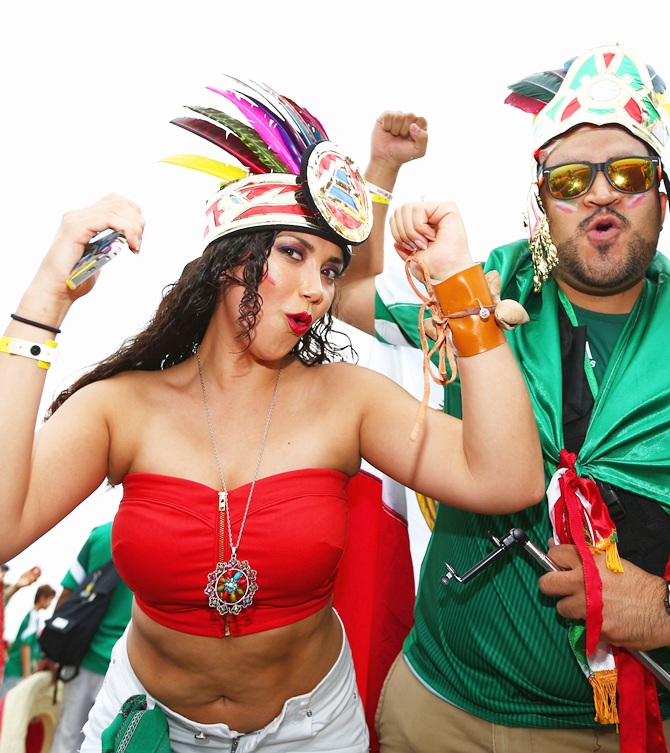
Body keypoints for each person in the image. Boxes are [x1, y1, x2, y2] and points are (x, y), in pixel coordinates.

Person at [0, 76, 543, 752]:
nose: (318, 289)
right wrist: (44, 303)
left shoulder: (347, 398)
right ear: (231, 259)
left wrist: (461, 288)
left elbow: (510, 480)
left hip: (313, 730)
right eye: (294, 253)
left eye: (331, 267)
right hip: (147, 725)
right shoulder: (123, 407)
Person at [338, 44, 670, 752]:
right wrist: (383, 175)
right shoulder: (480, 289)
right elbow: (345, 291)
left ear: (662, 194)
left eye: (631, 172)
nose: (602, 192)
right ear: (540, 199)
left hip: (611, 731)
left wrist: (667, 606)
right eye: (573, 177)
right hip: (437, 712)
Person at [48, 522, 133, 753]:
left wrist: (53, 649)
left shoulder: (102, 533)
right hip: (131, 668)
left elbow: (68, 593)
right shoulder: (166, 534)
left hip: (83, 657)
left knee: (67, 737)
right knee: (111, 744)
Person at [0, 584, 55, 699]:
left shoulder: (34, 616)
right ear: (42, 598)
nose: (50, 604)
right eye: (50, 600)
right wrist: (26, 673)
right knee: (6, 706)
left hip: (18, 670)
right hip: (17, 670)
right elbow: (25, 645)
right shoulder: (33, 616)